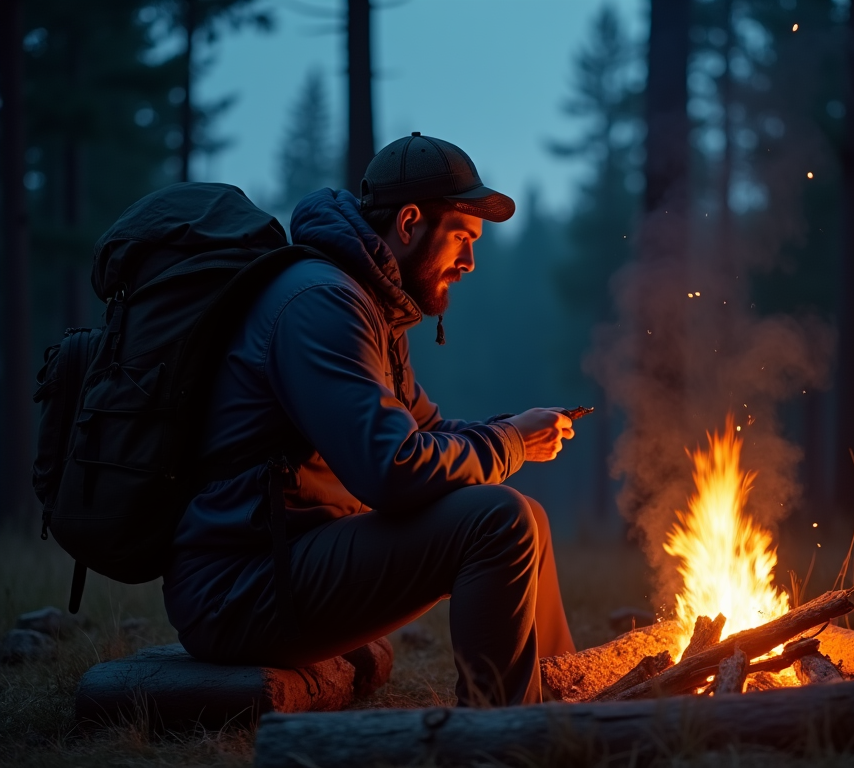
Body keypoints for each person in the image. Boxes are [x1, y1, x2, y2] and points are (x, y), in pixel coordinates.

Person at [162, 132, 577, 706]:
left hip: (288, 564)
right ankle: (503, 738)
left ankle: (560, 705)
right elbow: (392, 469)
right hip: (241, 589)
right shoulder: (320, 304)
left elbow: (424, 434)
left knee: (526, 514)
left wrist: (514, 430)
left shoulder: (369, 304)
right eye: (461, 237)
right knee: (498, 520)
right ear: (409, 223)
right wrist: (507, 442)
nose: (471, 262)